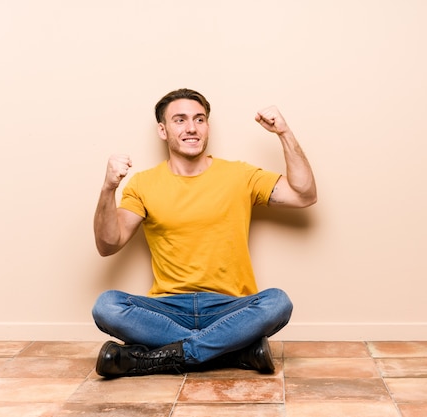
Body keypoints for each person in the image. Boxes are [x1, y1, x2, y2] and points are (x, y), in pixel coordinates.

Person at [91, 88, 317, 378]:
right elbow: (108, 244)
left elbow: (304, 195)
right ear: (163, 130)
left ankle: (162, 357)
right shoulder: (142, 184)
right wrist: (108, 188)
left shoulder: (240, 175)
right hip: (167, 308)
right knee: (107, 306)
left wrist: (284, 133)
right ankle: (234, 351)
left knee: (277, 302)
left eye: (199, 119)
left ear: (207, 126)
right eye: (180, 120)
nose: (191, 128)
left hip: (230, 307)